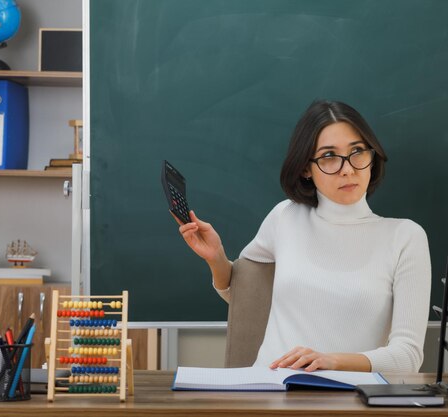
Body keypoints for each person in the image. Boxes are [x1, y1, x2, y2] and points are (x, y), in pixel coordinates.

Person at [174, 100, 431, 373]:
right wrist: (217, 259)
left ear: (372, 156)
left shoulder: (405, 237)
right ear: (306, 168)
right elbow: (245, 299)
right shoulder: (285, 217)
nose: (347, 168)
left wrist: (331, 361)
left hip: (350, 400)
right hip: (269, 390)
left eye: (357, 152)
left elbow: (408, 357)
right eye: (329, 156)